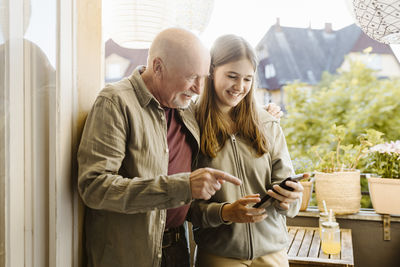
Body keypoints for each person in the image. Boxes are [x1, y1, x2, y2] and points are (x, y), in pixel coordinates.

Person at [77, 28, 243, 267]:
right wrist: (182, 186)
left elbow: (228, 110)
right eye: (190, 77)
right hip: (129, 255)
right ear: (158, 67)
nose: (198, 88)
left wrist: (268, 116)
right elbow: (94, 187)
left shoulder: (186, 109)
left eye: (202, 78)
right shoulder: (115, 102)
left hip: (177, 249)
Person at [188, 34, 304, 267]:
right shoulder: (190, 125)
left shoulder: (268, 123)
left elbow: (290, 195)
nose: (239, 87)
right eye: (232, 76)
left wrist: (289, 199)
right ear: (211, 72)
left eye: (247, 79)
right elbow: (183, 204)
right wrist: (224, 212)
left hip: (273, 252)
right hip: (220, 255)